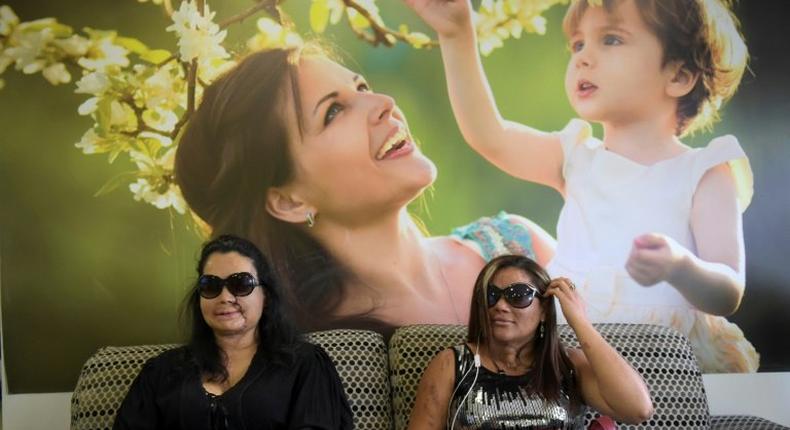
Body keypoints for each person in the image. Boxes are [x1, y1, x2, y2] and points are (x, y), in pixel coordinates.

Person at [403, 0, 757, 372]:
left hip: (666, 364)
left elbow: (728, 290)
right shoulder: (575, 158)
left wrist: (679, 266)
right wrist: (457, 32)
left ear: (678, 76)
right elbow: (489, 134)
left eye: (612, 40)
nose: (584, 58)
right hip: (572, 354)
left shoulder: (704, 171)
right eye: (578, 45)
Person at [174, 43, 557, 337]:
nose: (383, 104)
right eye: (334, 111)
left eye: (362, 86)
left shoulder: (518, 245)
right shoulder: (325, 356)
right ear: (289, 200)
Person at [113, 234, 353, 430]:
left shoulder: (305, 365)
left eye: (241, 284)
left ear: (265, 296)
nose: (225, 297)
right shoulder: (161, 373)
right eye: (210, 286)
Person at [408, 254, 653, 429]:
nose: (501, 306)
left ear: (545, 309)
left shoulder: (567, 365)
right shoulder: (452, 364)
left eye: (518, 295)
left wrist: (579, 322)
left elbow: (637, 409)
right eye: (491, 296)